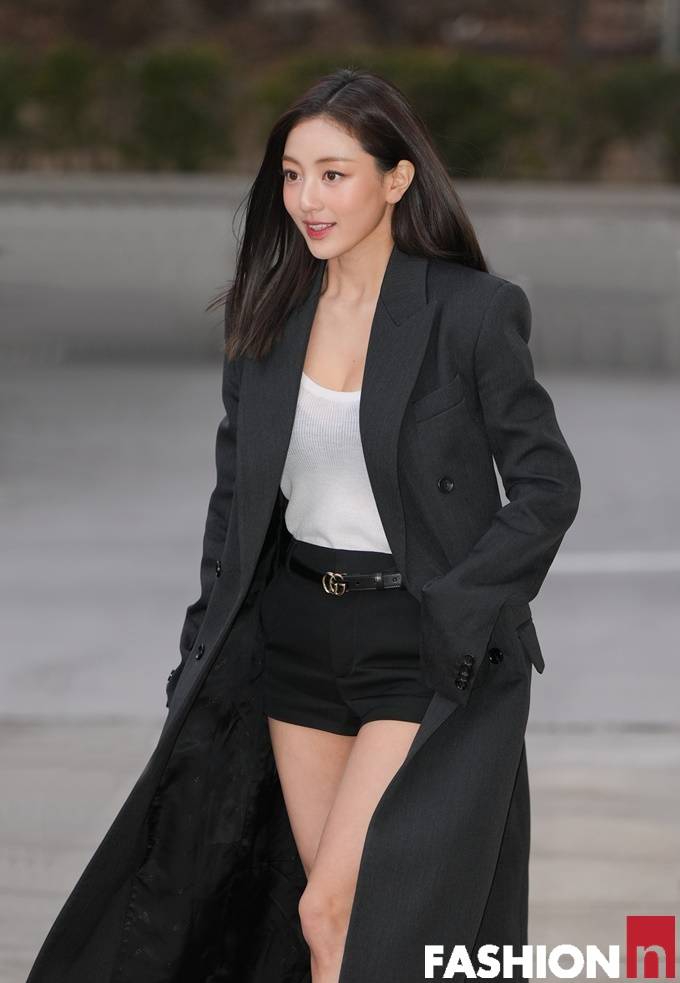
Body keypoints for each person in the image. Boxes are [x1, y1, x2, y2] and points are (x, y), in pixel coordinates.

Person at [27, 68, 581, 983]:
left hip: (417, 640)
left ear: (396, 179)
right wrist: (199, 646)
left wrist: (463, 606)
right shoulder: (272, 315)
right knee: (327, 927)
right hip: (299, 643)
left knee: (338, 906)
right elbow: (235, 504)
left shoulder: (471, 313)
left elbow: (548, 484)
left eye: (333, 174)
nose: (307, 200)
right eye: (292, 175)